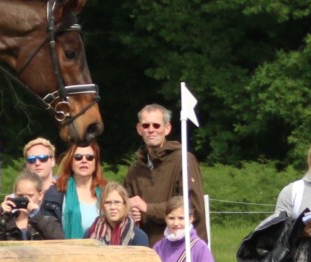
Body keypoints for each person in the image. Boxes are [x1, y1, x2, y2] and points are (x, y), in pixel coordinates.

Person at [125, 104, 207, 246]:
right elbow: (125, 204)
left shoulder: (183, 160)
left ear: (167, 128)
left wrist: (147, 209)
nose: (151, 130)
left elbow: (193, 208)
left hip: (181, 249)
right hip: (146, 249)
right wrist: (131, 212)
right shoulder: (135, 169)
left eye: (156, 125)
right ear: (139, 129)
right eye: (146, 126)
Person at [0, 170, 65, 241]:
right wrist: (2, 215)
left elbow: (58, 241)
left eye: (30, 195)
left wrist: (36, 216)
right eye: (20, 196)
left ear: (40, 195)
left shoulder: (48, 221)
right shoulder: (7, 222)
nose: (25, 199)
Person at [54, 141, 107, 239]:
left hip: (103, 251)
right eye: (78, 157)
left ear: (96, 162)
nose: (84, 160)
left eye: (89, 157)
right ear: (71, 161)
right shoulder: (58, 191)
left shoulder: (106, 191)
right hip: (69, 251)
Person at [85, 182, 149, 247]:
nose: (113, 207)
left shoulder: (138, 236)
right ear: (102, 206)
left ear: (125, 205)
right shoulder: (90, 233)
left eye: (117, 202)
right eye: (107, 203)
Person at [23, 137, 63, 222]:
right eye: (31, 159)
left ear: (53, 161)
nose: (37, 163)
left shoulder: (66, 191)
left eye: (43, 158)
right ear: (27, 164)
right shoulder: (19, 195)